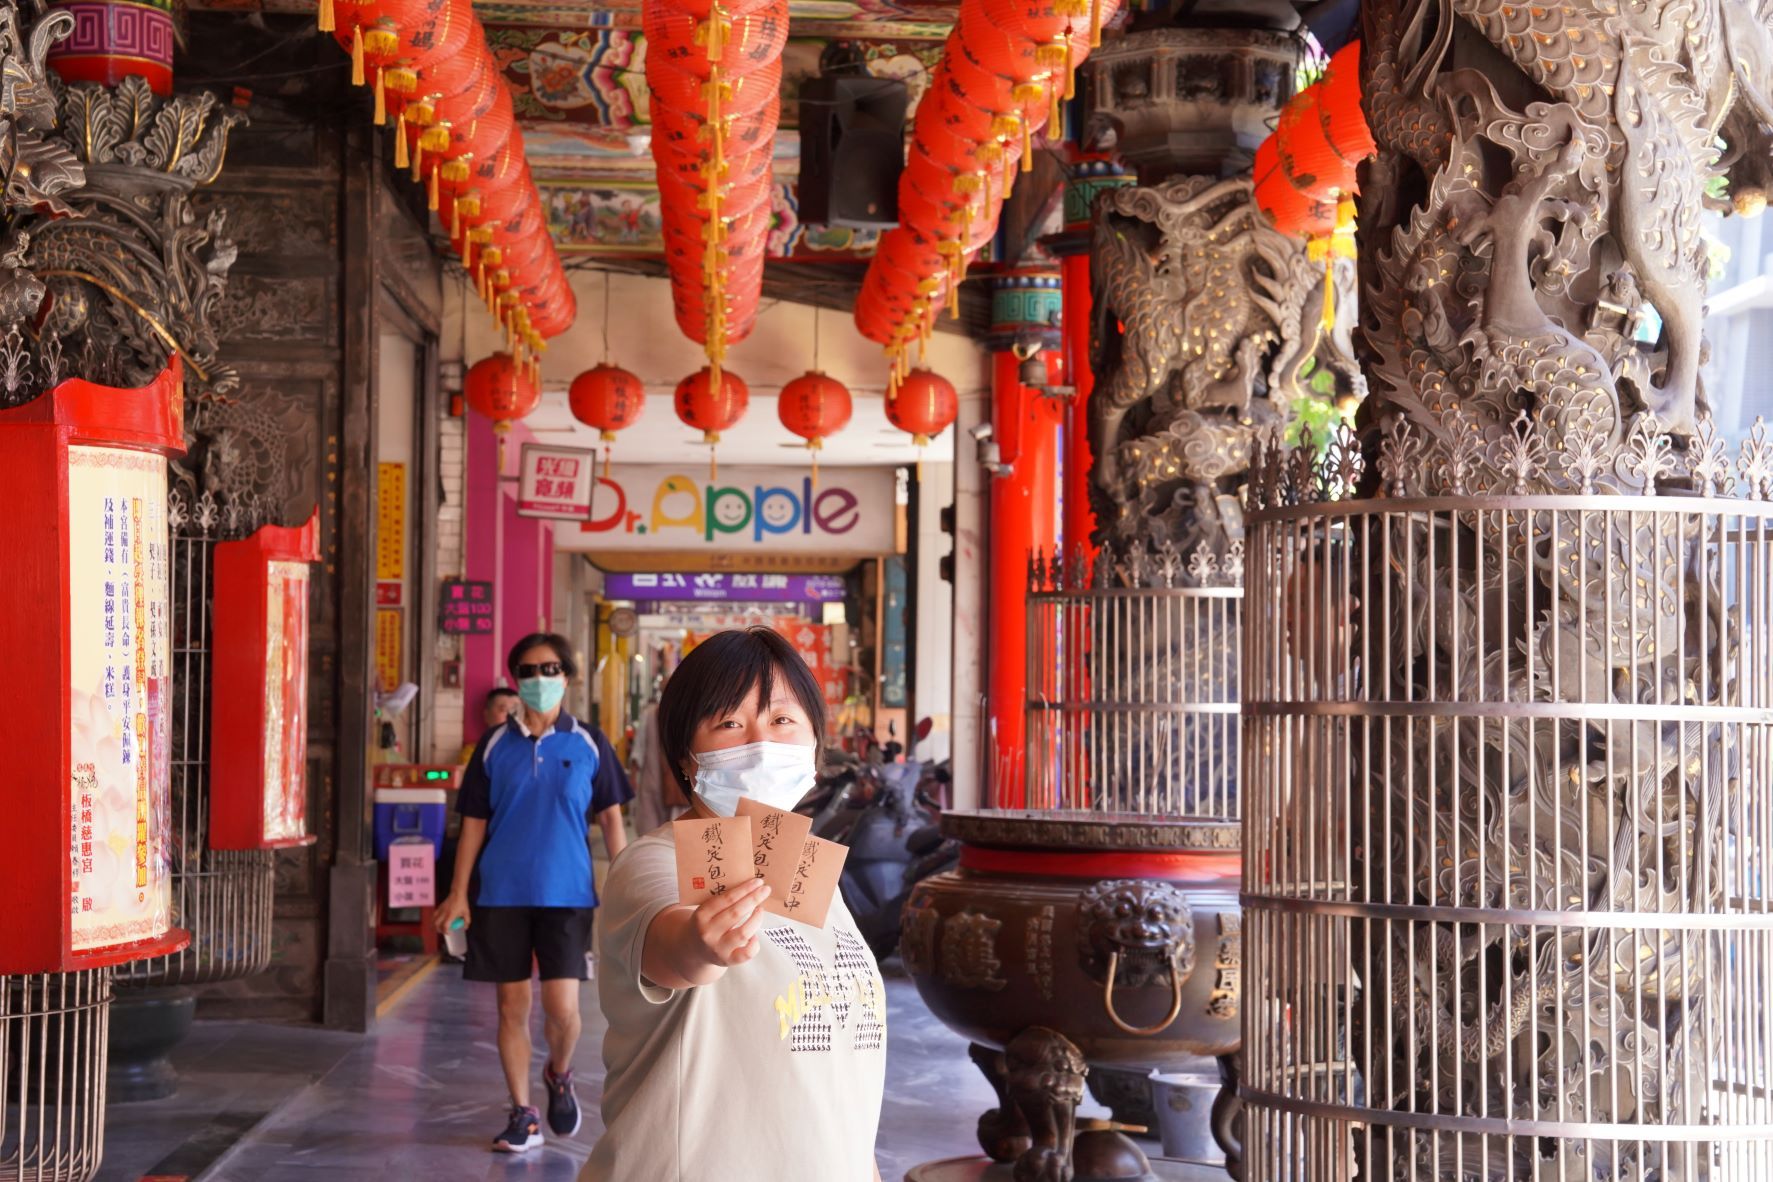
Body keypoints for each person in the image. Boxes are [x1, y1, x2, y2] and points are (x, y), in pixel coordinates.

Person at [584, 628, 886, 1182]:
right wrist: (701, 945)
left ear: (816, 742)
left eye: (781, 720)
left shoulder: (811, 872)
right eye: (728, 723)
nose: (761, 742)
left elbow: (839, 1070)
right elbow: (673, 947)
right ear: (685, 755)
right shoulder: (654, 864)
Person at [435, 633, 631, 1155]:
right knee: (511, 1006)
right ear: (516, 679)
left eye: (549, 670)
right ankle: (522, 1113)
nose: (538, 680)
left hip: (568, 894)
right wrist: (458, 894)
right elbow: (473, 822)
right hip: (500, 893)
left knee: (564, 1010)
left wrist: (624, 884)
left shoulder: (590, 742)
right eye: (527, 670)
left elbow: (612, 817)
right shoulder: (494, 746)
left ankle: (559, 1073)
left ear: (567, 676)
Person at [458, 687, 519, 766]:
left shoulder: (532, 750)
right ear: (487, 715)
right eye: (504, 710)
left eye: (516, 711)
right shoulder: (473, 753)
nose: (511, 716)